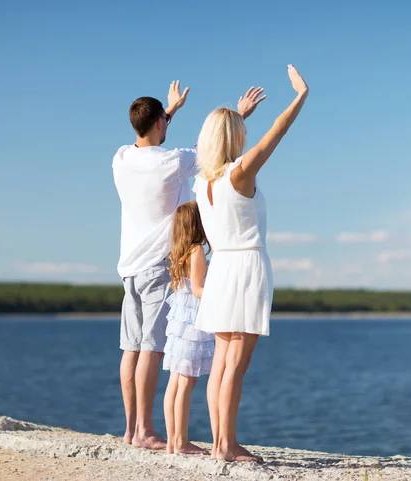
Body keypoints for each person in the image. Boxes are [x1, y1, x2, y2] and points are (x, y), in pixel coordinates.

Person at [112, 81, 266, 449]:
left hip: (128, 265)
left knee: (130, 347)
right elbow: (210, 150)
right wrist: (239, 116)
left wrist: (168, 110)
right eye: (164, 120)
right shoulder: (171, 162)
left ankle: (131, 428)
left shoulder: (121, 157)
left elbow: (149, 133)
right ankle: (146, 432)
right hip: (157, 263)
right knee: (152, 346)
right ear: (159, 124)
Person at [193, 65, 309, 462]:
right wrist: (300, 96)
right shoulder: (240, 174)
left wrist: (237, 116)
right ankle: (226, 446)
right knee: (235, 366)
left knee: (222, 363)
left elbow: (220, 144)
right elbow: (275, 134)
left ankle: (218, 442)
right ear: (234, 139)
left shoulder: (202, 181)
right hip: (245, 269)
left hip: (221, 269)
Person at [163, 201, 213, 455]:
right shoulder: (196, 252)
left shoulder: (179, 251)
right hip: (192, 324)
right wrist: (221, 295)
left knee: (175, 382)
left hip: (178, 325)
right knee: (185, 382)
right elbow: (197, 289)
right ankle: (181, 442)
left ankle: (173, 440)